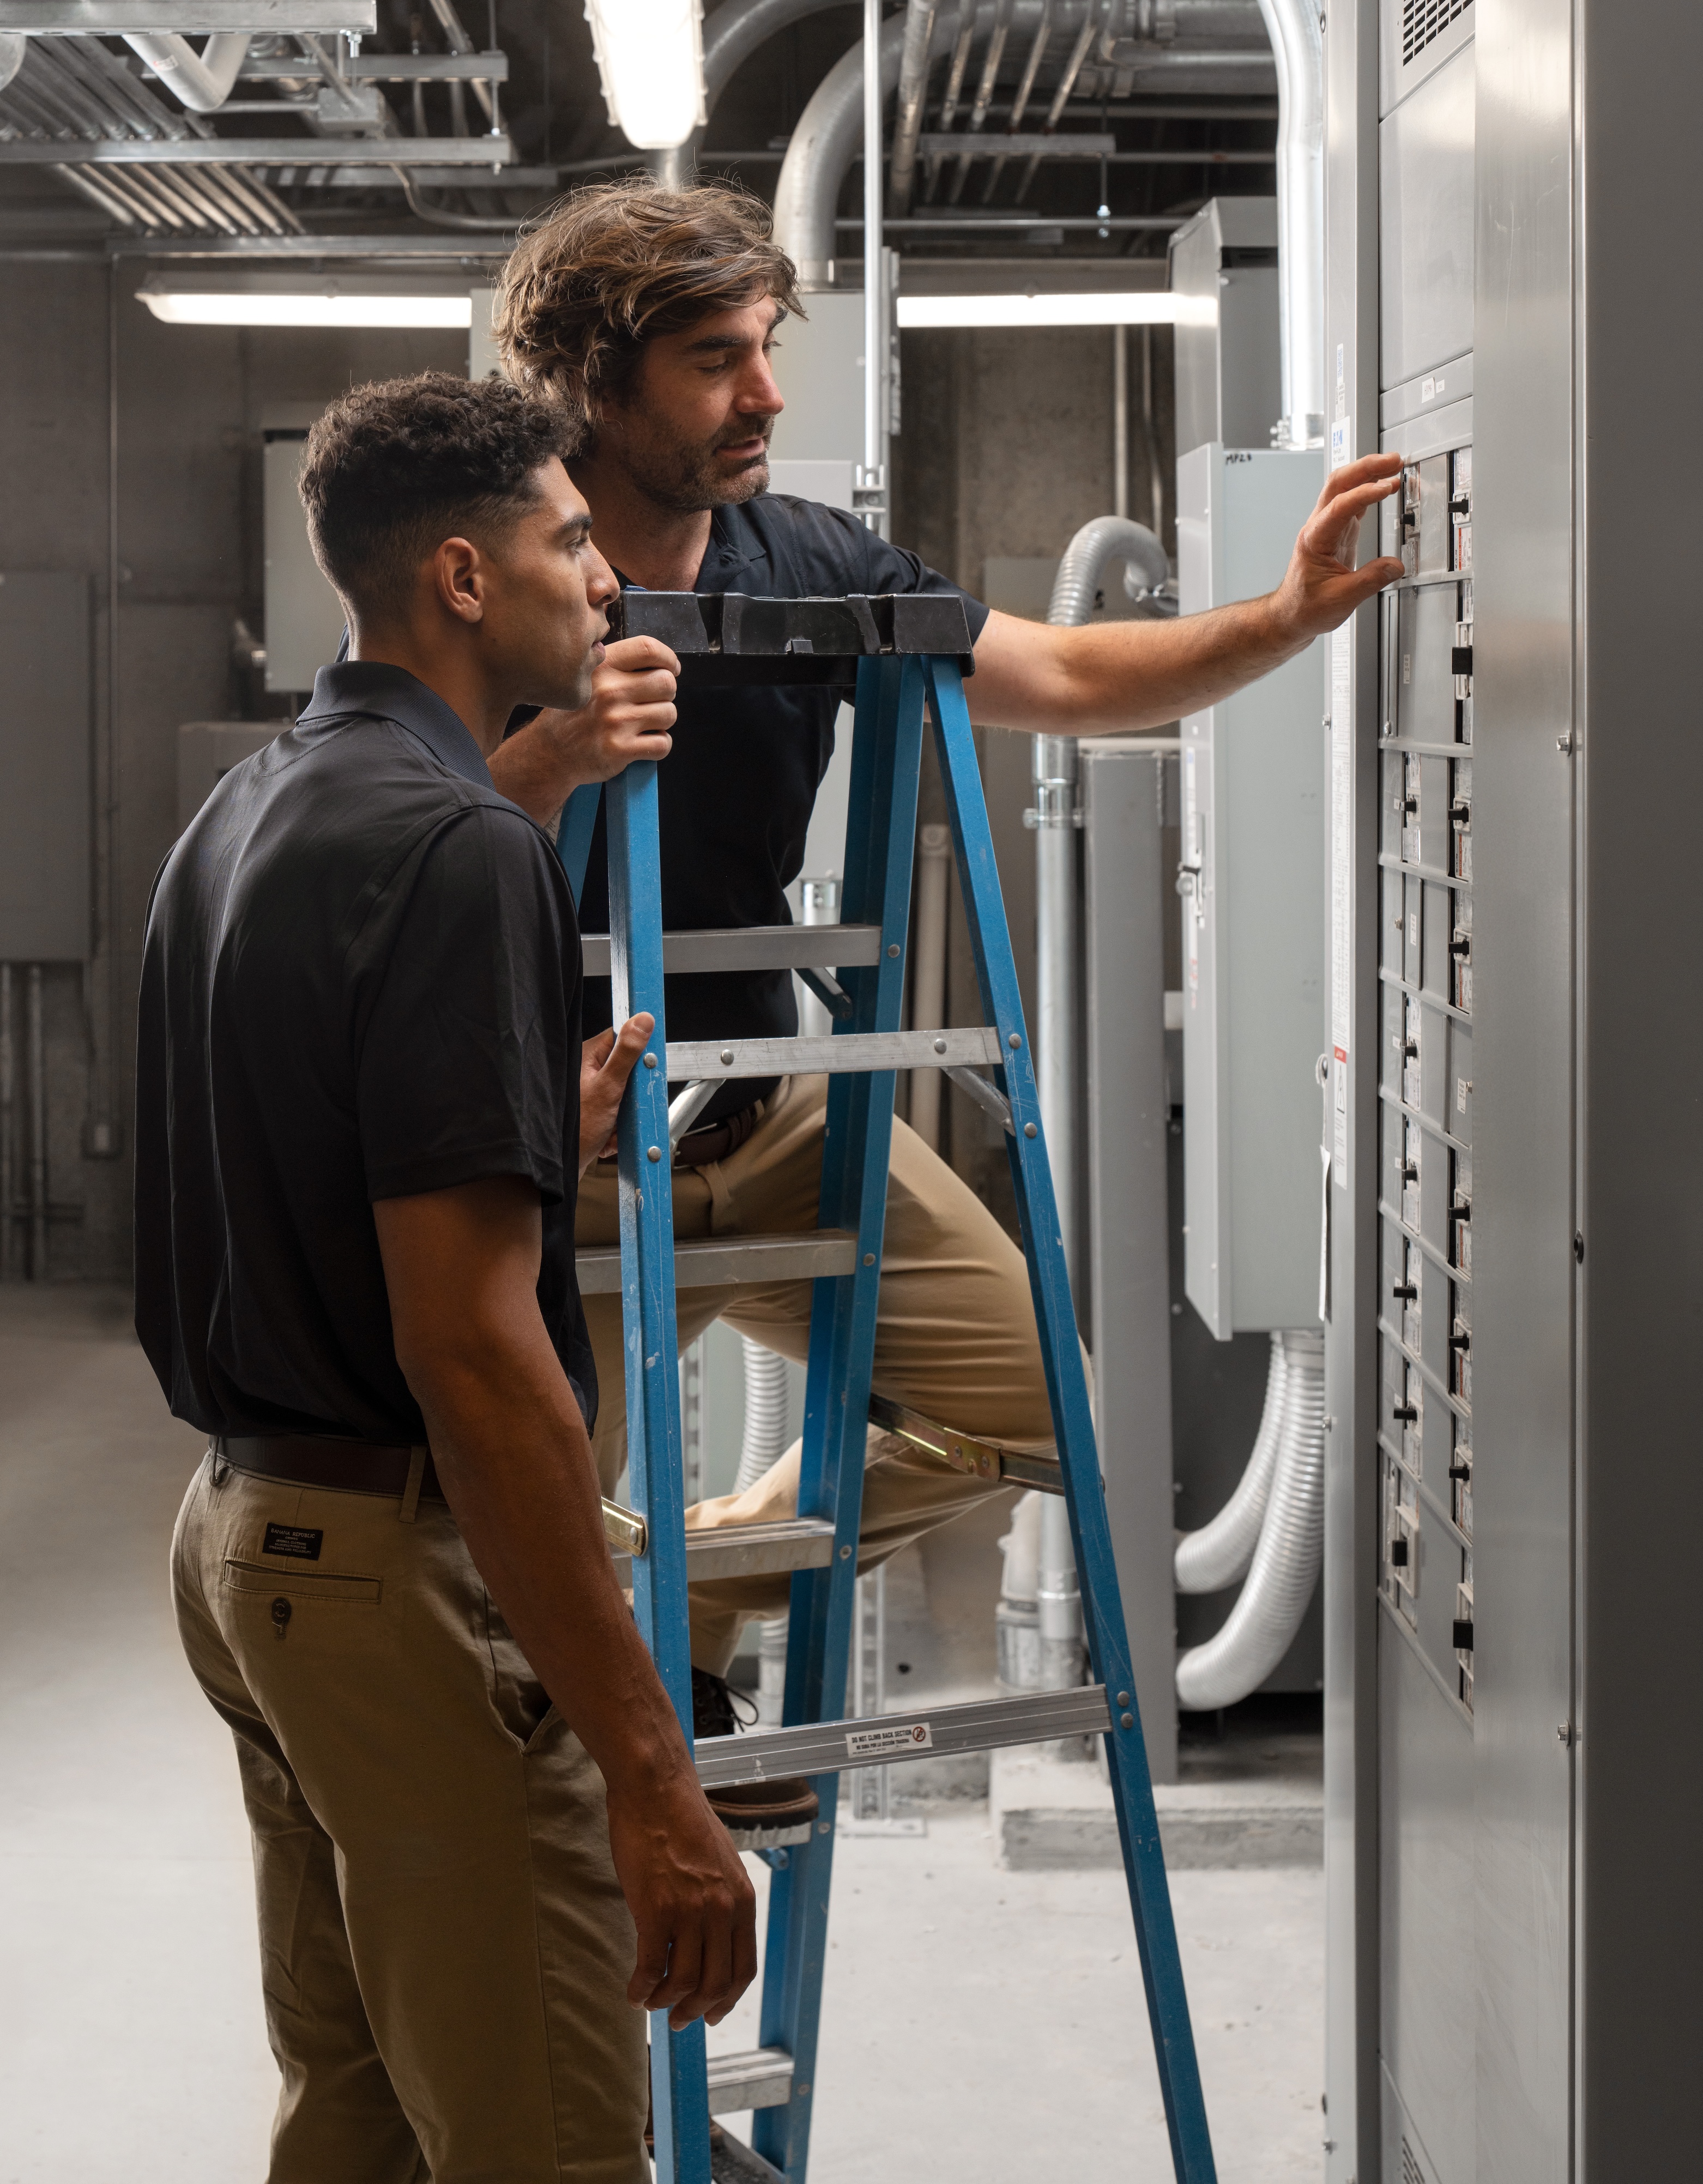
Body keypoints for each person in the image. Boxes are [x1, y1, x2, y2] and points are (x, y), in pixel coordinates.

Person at [483, 179, 1403, 1712]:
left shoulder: (807, 559)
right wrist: (550, 754)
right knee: (501, 1553)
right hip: (545, 1131)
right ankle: (600, 1732)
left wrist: (1287, 617)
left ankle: (689, 1587)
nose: (764, 391)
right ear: (592, 374)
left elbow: (1061, 671)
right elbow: (372, 821)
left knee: (1044, 1405)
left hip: (759, 1104)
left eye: (766, 347)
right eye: (716, 359)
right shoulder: (482, 569)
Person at [135, 372, 755, 2184]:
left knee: (362, 2119)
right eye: (575, 543)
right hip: (396, 1580)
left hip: (245, 1544)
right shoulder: (466, 844)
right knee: (545, 2140)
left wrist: (507, 1129)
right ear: (467, 580)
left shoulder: (250, 812)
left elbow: (282, 1159)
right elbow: (476, 1361)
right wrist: (651, 1768)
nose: (606, 583)